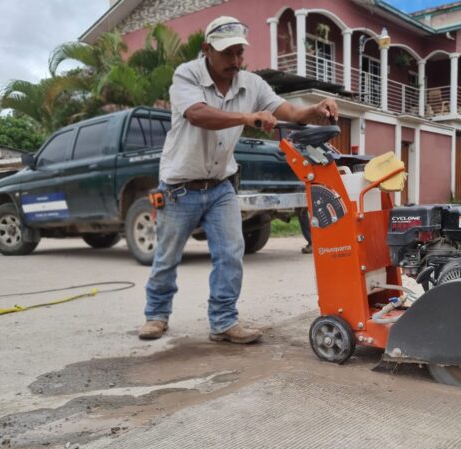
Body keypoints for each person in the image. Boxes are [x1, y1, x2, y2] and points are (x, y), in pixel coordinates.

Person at [139, 16, 339, 343]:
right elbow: (197, 115)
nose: (235, 61)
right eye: (227, 53)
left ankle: (223, 322)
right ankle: (156, 315)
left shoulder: (251, 84)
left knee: (231, 253)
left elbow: (288, 112)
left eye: (239, 53)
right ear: (207, 50)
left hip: (220, 186)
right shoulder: (186, 75)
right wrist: (247, 117)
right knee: (167, 256)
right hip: (179, 188)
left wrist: (316, 109)